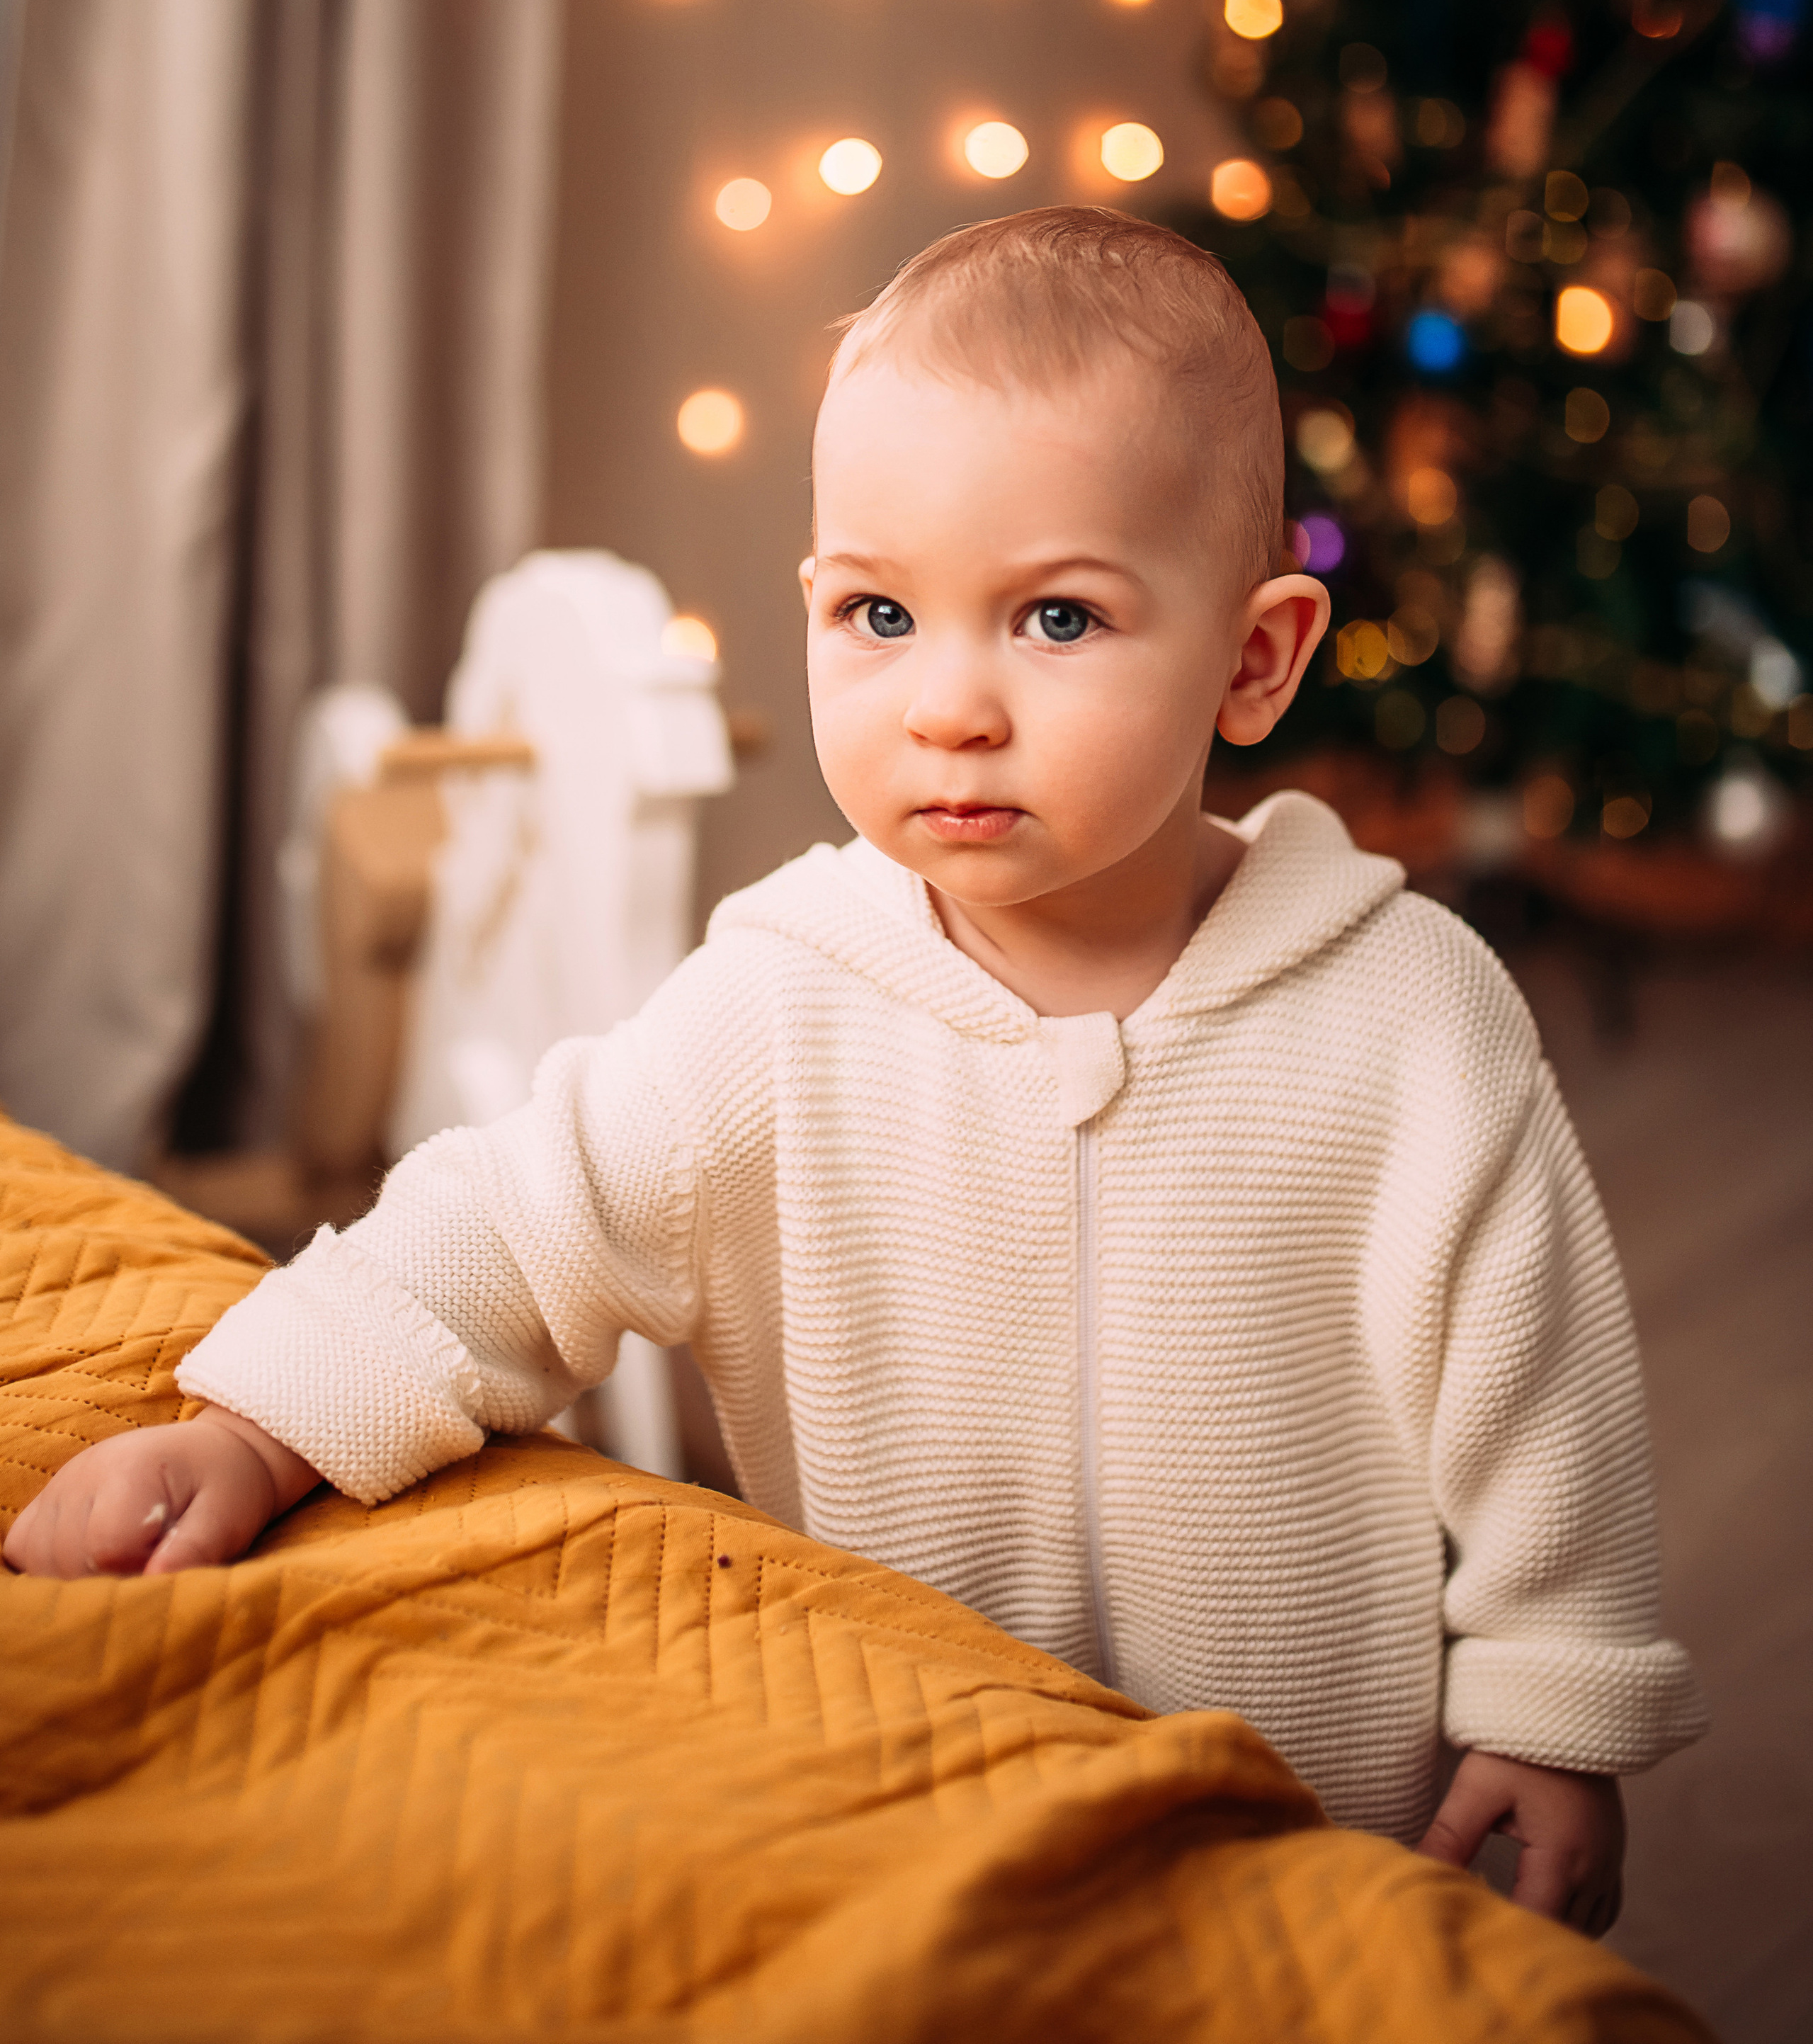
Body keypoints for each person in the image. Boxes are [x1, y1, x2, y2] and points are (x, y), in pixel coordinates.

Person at [5, 208, 1703, 1928]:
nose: (945, 705)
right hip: (909, 1793)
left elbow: (1537, 1381)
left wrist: (1550, 1703)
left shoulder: (1406, 1015)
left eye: (1054, 619)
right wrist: (254, 1435)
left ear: (1251, 660)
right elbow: (505, 1231)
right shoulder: (778, 1003)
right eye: (878, 612)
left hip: (1313, 1828)